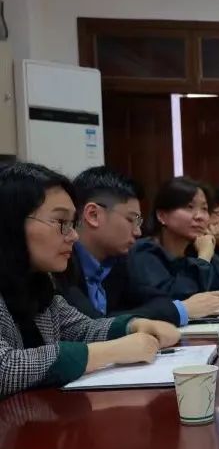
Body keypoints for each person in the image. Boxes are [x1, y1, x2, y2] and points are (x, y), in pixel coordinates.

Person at [0, 162, 180, 398]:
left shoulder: (37, 284)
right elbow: (4, 368)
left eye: (72, 224)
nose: (74, 236)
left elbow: (82, 329)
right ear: (11, 222)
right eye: (61, 223)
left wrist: (132, 325)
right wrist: (106, 352)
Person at [54, 167, 219, 326]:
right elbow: (93, 325)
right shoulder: (60, 265)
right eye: (130, 219)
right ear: (93, 215)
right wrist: (181, 310)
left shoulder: (118, 262)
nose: (138, 232)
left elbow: (157, 300)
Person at [128, 177, 219, 300]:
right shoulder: (145, 251)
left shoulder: (195, 249)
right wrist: (204, 258)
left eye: (204, 209)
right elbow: (174, 297)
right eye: (189, 207)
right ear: (162, 216)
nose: (200, 216)